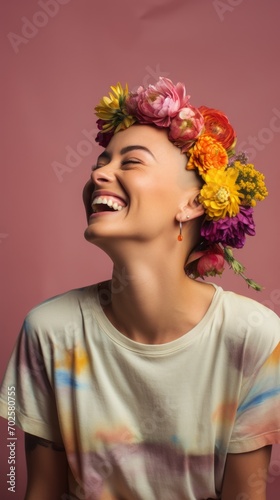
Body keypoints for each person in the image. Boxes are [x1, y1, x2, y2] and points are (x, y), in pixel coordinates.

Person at [0, 77, 280, 500]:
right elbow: (42, 489)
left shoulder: (254, 337)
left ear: (194, 204)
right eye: (101, 160)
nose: (99, 172)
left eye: (130, 162)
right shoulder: (48, 331)